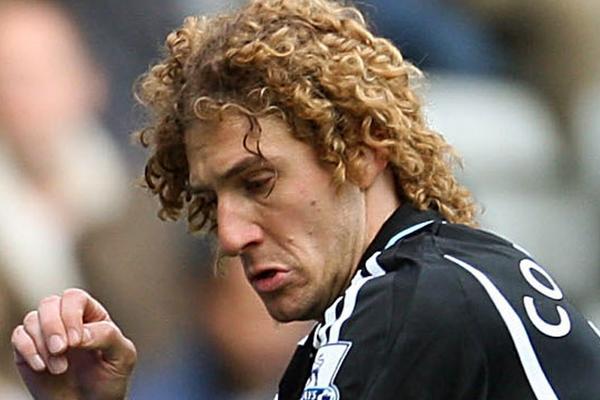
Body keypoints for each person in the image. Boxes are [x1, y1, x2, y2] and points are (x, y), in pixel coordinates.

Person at [10, 0, 600, 399]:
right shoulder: (435, 283)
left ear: (363, 151)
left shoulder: (411, 306)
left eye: (258, 182)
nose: (230, 236)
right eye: (213, 200)